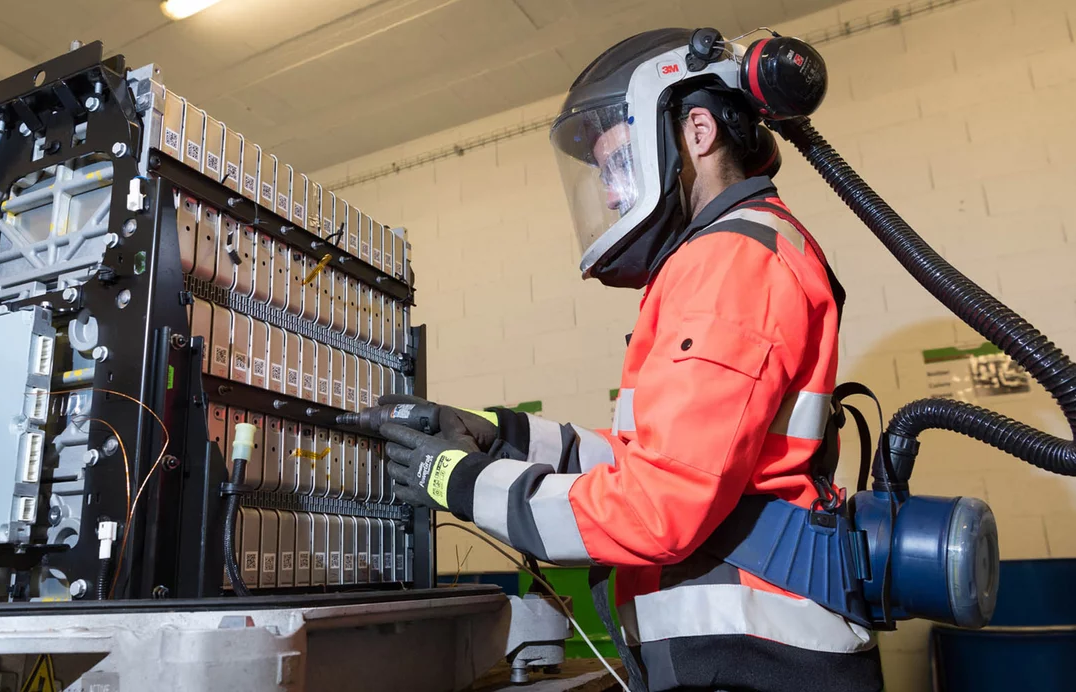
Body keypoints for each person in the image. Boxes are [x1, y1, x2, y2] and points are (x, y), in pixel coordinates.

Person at [371, 28, 883, 692]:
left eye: (619, 163)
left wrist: (460, 481)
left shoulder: (730, 261)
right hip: (744, 658)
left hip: (759, 662)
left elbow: (656, 508)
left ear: (698, 132)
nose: (613, 192)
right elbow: (657, 461)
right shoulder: (725, 256)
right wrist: (503, 434)